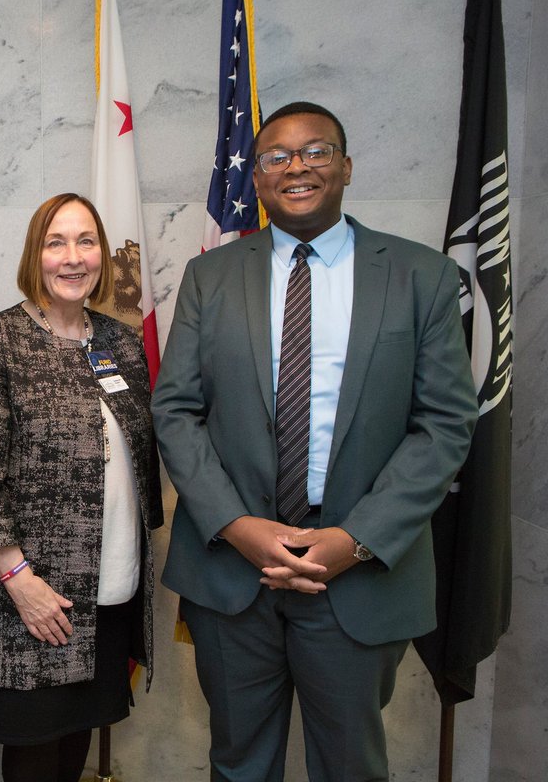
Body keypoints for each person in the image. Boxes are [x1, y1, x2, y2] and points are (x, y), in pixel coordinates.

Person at [152, 101, 478, 781]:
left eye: (316, 151)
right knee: (238, 763)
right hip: (232, 575)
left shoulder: (422, 277)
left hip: (360, 578)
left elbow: (445, 424)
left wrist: (353, 541)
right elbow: (177, 410)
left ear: (346, 166)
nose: (296, 166)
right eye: (277, 156)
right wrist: (238, 527)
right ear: (259, 180)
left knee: (351, 767)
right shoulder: (211, 277)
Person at [0, 193, 163, 782]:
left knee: (72, 751)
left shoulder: (120, 344)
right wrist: (21, 582)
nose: (73, 258)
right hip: (36, 598)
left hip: (112, 587)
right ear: (35, 255)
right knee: (35, 757)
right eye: (56, 242)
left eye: (87, 241)